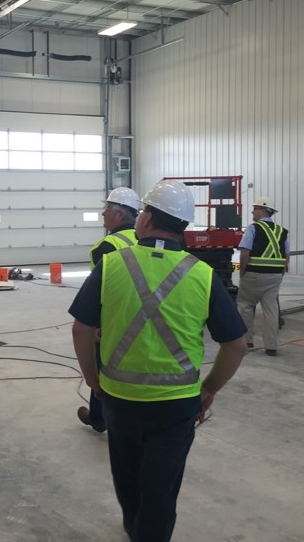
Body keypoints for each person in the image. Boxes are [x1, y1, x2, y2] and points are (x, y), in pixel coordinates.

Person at [69, 179, 247, 542]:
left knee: (128, 478)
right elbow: (237, 345)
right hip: (176, 405)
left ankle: (135, 529)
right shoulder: (202, 274)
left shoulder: (112, 264)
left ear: (146, 219)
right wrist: (209, 389)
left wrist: (92, 377)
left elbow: (81, 329)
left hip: (119, 398)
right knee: (161, 490)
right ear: (183, 227)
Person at [77, 187, 140, 434]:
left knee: (102, 368)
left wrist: (96, 324)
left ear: (119, 215)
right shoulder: (143, 238)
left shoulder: (107, 245)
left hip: (115, 319)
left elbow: (102, 293)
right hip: (146, 316)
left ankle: (99, 418)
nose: (103, 214)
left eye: (107, 210)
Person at [236, 197, 289, 356]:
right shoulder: (282, 231)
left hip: (254, 273)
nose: (252, 211)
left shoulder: (253, 228)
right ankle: (271, 346)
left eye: (255, 208)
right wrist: (281, 271)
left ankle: (247, 341)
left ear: (264, 210)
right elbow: (286, 254)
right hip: (274, 276)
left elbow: (245, 252)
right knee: (271, 309)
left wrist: (242, 272)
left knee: (245, 305)